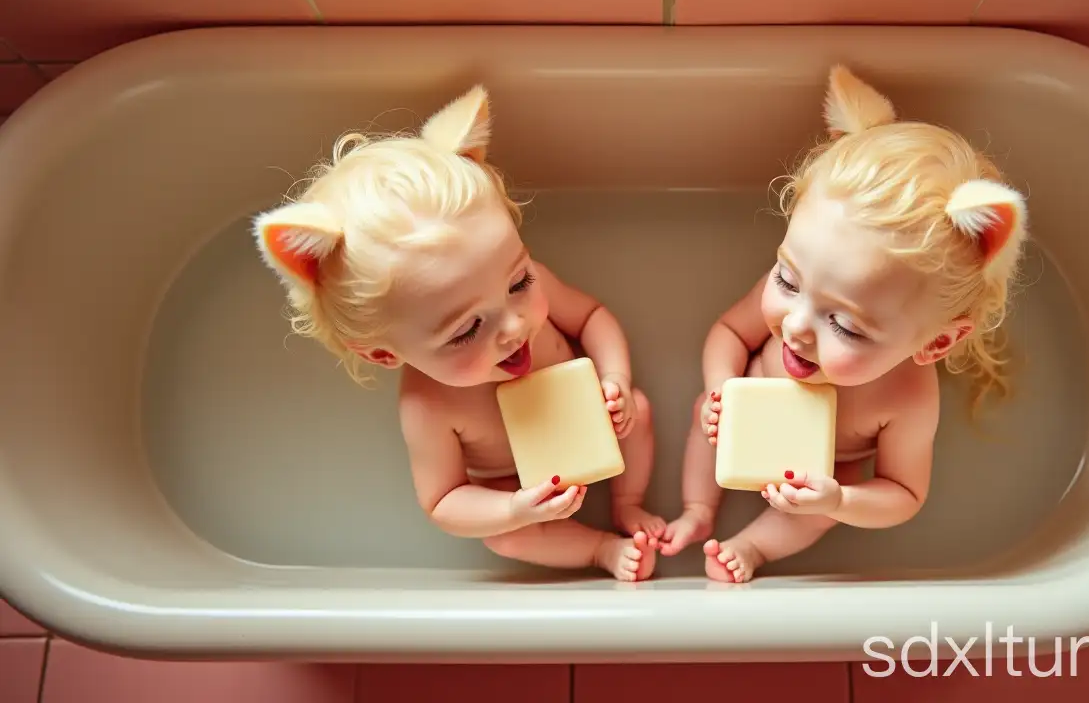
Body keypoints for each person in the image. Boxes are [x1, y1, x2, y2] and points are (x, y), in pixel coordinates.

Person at [252, 84, 662, 581]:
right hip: (519, 482)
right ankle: (598, 549)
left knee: (637, 409)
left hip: (588, 420)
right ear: (384, 354)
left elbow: (593, 317)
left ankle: (628, 503)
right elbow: (443, 501)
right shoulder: (428, 408)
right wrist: (516, 507)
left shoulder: (518, 293)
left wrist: (613, 380)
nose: (514, 327)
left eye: (519, 282)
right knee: (503, 537)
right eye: (467, 329)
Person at [661, 65, 1030, 583]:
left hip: (821, 468)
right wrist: (721, 388)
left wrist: (838, 499)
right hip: (749, 420)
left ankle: (754, 547)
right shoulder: (802, 305)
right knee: (707, 413)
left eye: (847, 327)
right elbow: (729, 333)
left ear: (936, 342)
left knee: (814, 518)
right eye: (788, 280)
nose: (795, 327)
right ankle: (697, 509)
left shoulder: (907, 397)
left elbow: (903, 495)